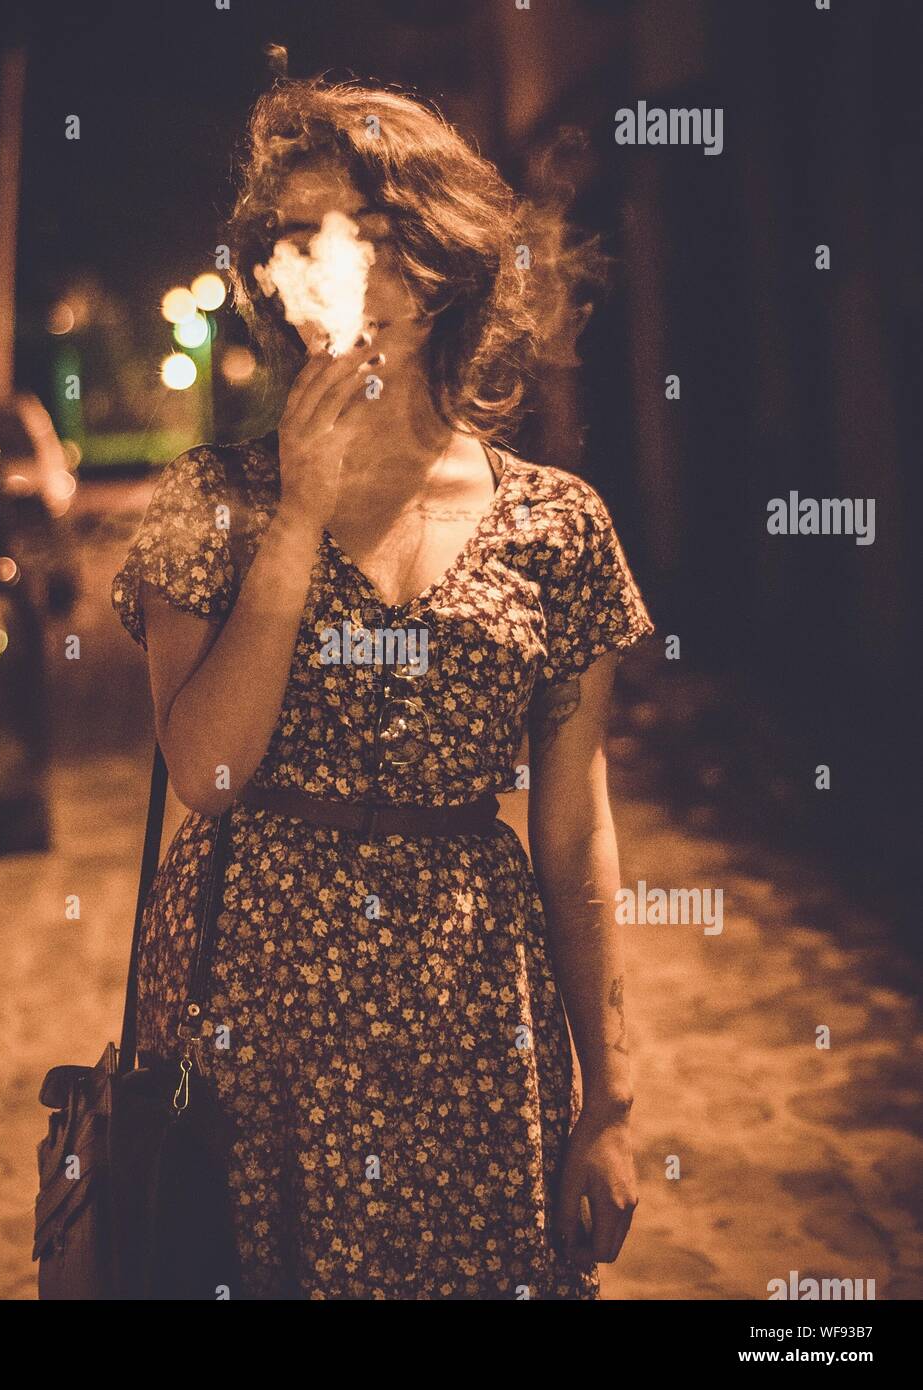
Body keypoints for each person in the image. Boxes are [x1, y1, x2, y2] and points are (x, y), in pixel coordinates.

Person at [112, 77, 654, 1300]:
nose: (322, 267)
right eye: (291, 238)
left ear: (439, 256)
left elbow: (574, 827)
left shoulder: (557, 523)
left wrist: (610, 1099)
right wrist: (298, 514)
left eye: (354, 230)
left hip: (472, 1017)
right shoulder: (212, 503)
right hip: (253, 1013)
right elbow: (205, 774)